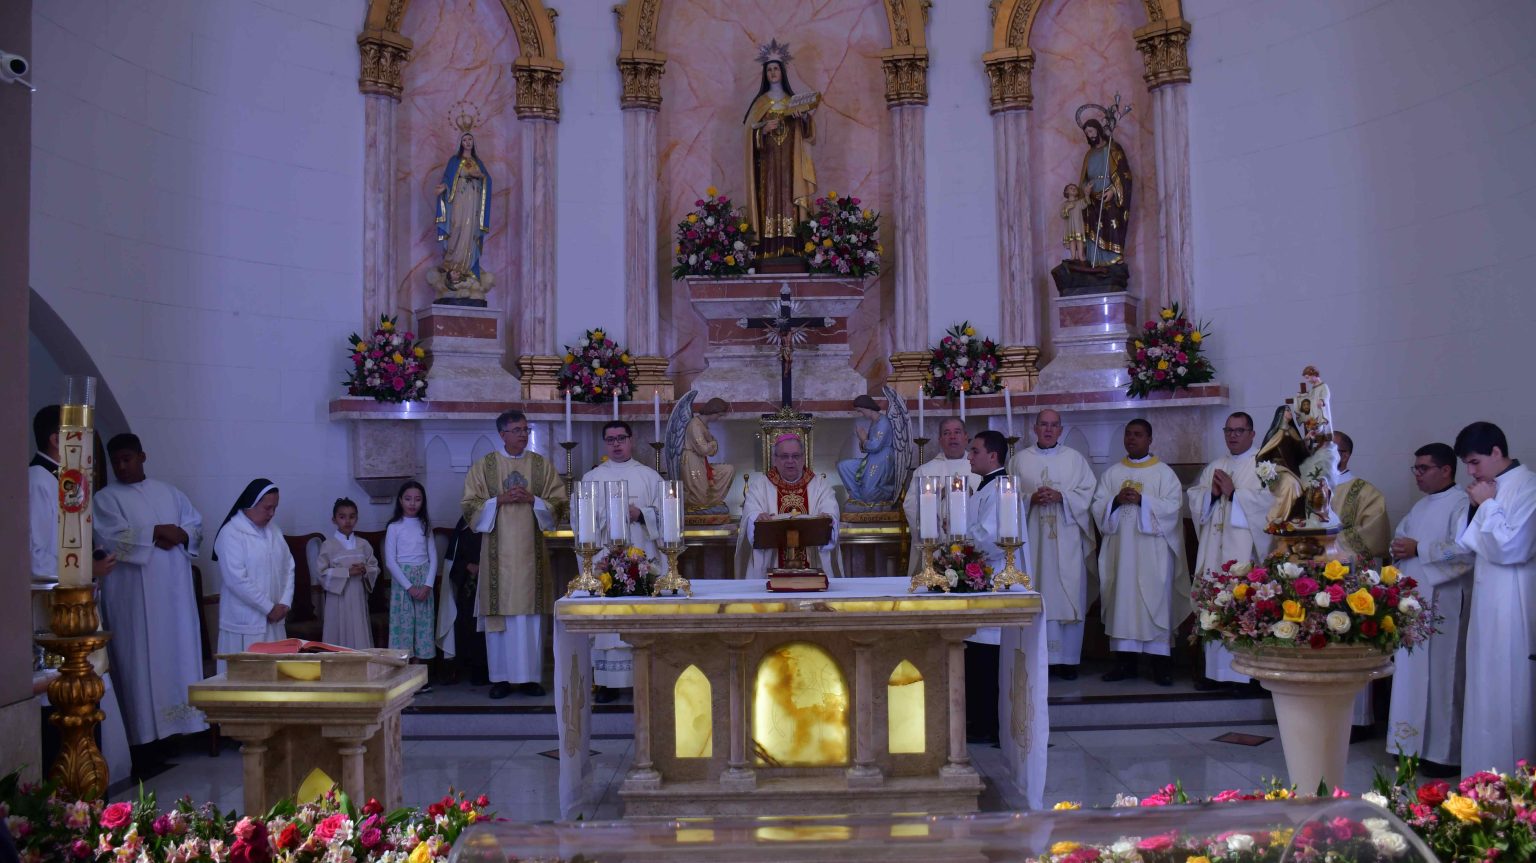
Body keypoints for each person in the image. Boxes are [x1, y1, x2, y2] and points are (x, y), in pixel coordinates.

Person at [90, 434, 207, 747]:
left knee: (177, 656)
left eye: (127, 459)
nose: (121, 466)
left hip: (175, 596)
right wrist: (154, 532)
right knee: (139, 662)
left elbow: (195, 526)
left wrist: (180, 534)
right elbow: (108, 538)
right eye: (116, 461)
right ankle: (145, 738)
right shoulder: (105, 499)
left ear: (142, 457)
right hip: (133, 599)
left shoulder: (170, 492)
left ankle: (182, 729)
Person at [461, 410, 568, 699]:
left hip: (530, 558)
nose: (523, 434)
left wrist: (533, 499)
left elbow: (559, 503)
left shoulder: (540, 465)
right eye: (517, 430)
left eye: (525, 429)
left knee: (528, 619)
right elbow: (469, 506)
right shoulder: (485, 466)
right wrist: (499, 500)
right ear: (502, 434)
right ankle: (502, 679)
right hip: (497, 558)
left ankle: (530, 678)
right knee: (502, 622)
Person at [1453, 421, 1536, 772]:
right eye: (1467, 464)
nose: (1471, 472)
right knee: (1483, 684)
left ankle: (1512, 778)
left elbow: (1511, 547)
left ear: (1497, 452)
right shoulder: (1485, 488)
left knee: (1509, 684)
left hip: (1513, 600)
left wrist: (1486, 505)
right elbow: (1464, 544)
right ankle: (1479, 774)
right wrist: (1479, 504)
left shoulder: (1529, 487)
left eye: (1475, 462)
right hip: (1487, 600)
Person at [1385, 443, 1473, 774]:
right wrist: (1399, 549)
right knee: (1409, 674)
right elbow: (1400, 541)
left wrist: (1419, 548)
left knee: (1442, 676)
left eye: (1424, 468)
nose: (1417, 475)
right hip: (1412, 604)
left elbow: (1465, 551)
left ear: (1446, 470)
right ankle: (1406, 746)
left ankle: (1440, 753)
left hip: (1443, 604)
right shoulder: (1419, 507)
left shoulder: (1462, 504)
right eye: (1416, 468)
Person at [1091, 420, 1187, 686]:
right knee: (1123, 603)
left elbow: (1173, 508)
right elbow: (1097, 507)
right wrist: (1115, 501)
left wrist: (1143, 500)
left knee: (1155, 604)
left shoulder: (1164, 474)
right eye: (1128, 434)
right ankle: (1125, 663)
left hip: (1154, 556)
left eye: (1138, 434)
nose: (1131, 439)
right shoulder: (1112, 473)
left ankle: (1161, 666)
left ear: (1150, 439)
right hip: (1121, 554)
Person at [1006, 410, 1095, 679]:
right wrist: (1028, 499)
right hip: (1032, 541)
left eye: (1053, 425)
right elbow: (1007, 496)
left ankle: (1068, 660)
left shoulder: (1075, 460)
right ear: (1035, 428)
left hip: (1067, 541)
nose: (1048, 429)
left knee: (1069, 592)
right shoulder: (1019, 460)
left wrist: (1062, 497)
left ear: (1060, 430)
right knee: (1037, 588)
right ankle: (1037, 659)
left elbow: (1088, 495)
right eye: (1043, 425)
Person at [1187, 412, 1273, 690]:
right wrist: (1211, 495)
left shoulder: (1263, 465)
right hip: (1215, 552)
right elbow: (1195, 498)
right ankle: (1215, 674)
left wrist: (1235, 493)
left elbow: (1271, 505)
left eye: (1239, 430)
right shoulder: (1216, 465)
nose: (1232, 436)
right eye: (1228, 430)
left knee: (1241, 609)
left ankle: (1243, 676)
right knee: (1215, 606)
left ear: (1252, 434)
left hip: (1245, 555)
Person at [583, 420, 665, 703]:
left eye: (621, 438)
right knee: (608, 618)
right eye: (611, 439)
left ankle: (644, 679)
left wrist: (641, 514)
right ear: (605, 443)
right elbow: (582, 519)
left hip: (643, 560)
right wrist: (613, 514)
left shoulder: (649, 477)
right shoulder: (592, 478)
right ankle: (606, 683)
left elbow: (665, 515)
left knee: (640, 615)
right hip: (606, 559)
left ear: (631, 440)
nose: (616, 444)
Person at [963, 430, 1028, 742]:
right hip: (982, 579)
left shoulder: (1003, 488)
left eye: (975, 451)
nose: (969, 456)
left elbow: (991, 539)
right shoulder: (987, 487)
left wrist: (958, 535)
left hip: (997, 579)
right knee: (978, 653)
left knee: (988, 656)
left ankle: (989, 725)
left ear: (993, 455)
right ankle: (979, 720)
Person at [212, 479, 294, 673]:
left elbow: (289, 566)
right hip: (245, 623)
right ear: (251, 503)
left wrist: (285, 603)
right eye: (267, 508)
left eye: (275, 508)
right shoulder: (230, 534)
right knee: (246, 680)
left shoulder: (274, 531)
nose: (272, 513)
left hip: (275, 620)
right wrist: (268, 607)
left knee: (277, 678)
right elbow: (236, 579)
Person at [744, 40, 816, 259]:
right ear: (765, 74)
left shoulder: (793, 101)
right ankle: (768, 247)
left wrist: (803, 118)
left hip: (790, 161)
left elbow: (807, 134)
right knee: (769, 196)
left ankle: (793, 246)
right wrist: (763, 130)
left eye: (776, 68)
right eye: (769, 70)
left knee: (788, 196)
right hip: (768, 163)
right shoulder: (760, 103)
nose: (773, 73)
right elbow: (749, 134)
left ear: (782, 72)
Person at [738, 433, 839, 580]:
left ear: (803, 458)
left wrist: (827, 518)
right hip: (770, 564)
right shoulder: (760, 486)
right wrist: (757, 517)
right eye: (784, 456)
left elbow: (830, 510)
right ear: (775, 459)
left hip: (813, 563)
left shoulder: (819, 485)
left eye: (795, 456)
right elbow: (751, 512)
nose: (790, 461)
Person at [902, 418, 976, 575]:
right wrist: (937, 497)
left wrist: (972, 495)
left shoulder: (978, 468)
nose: (952, 437)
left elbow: (989, 504)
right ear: (940, 440)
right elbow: (910, 506)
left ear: (966, 437)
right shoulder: (925, 471)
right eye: (947, 433)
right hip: (936, 546)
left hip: (972, 545)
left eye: (957, 432)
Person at [386, 481, 437, 684]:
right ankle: (403, 675)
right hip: (403, 583)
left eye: (417, 499)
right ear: (400, 500)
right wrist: (409, 587)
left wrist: (427, 585)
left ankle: (418, 675)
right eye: (408, 499)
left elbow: (433, 557)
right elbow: (390, 561)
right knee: (404, 627)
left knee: (422, 627)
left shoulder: (425, 526)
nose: (412, 503)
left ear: (423, 502)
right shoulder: (394, 527)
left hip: (424, 580)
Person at [316, 498, 379, 649]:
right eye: (342, 517)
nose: (347, 521)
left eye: (352, 516)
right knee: (338, 635)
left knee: (359, 631)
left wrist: (365, 569)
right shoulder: (328, 545)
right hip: (338, 599)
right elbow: (321, 573)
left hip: (358, 596)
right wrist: (347, 572)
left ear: (357, 518)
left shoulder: (363, 544)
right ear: (334, 519)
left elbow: (374, 567)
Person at [434, 131, 492, 281]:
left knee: (470, 229)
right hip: (459, 199)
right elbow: (447, 178)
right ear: (460, 143)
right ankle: (451, 263)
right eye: (465, 139)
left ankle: (466, 268)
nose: (468, 142)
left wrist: (481, 176)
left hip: (473, 202)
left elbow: (487, 179)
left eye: (470, 139)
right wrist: (444, 187)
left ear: (473, 142)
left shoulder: (478, 162)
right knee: (457, 225)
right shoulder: (454, 161)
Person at [1077, 118, 1132, 266]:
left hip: (1109, 196)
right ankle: (1095, 259)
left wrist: (1113, 190)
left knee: (1111, 214)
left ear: (1098, 129)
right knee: (1088, 216)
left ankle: (1113, 257)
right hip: (1092, 197)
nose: (1090, 135)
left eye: (1091, 131)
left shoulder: (1113, 150)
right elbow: (1084, 179)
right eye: (1087, 133)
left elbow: (1124, 174)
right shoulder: (1089, 155)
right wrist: (1085, 190)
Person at [1334, 431, 1391, 561]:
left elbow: (1375, 535)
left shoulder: (1367, 493)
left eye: (1327, 450)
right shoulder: (1303, 488)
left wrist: (1323, 543)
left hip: (1345, 567)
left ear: (1344, 456)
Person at [837, 394, 898, 505]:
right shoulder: (874, 421)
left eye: (861, 411)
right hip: (872, 458)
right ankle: (858, 498)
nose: (862, 414)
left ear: (867, 407)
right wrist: (863, 440)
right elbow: (869, 446)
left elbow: (875, 446)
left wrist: (863, 439)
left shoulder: (883, 422)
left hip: (882, 459)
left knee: (869, 491)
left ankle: (887, 495)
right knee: (844, 466)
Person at [681, 397, 735, 511]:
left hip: (700, 460)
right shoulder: (695, 425)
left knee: (728, 470)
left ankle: (710, 501)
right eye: (719, 415)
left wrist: (712, 444)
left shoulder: (702, 424)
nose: (718, 418)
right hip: (692, 461)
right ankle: (694, 505)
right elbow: (703, 449)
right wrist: (714, 443)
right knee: (699, 496)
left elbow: (709, 450)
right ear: (713, 411)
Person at [1060, 183, 1088, 262]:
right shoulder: (1064, 204)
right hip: (1069, 226)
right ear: (1066, 191)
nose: (1073, 189)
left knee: (1079, 240)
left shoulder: (1079, 202)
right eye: (1071, 188)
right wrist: (1067, 208)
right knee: (1072, 240)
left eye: (1075, 188)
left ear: (1077, 192)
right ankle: (1073, 256)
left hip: (1078, 225)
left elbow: (1086, 203)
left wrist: (1087, 194)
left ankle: (1080, 256)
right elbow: (1062, 215)